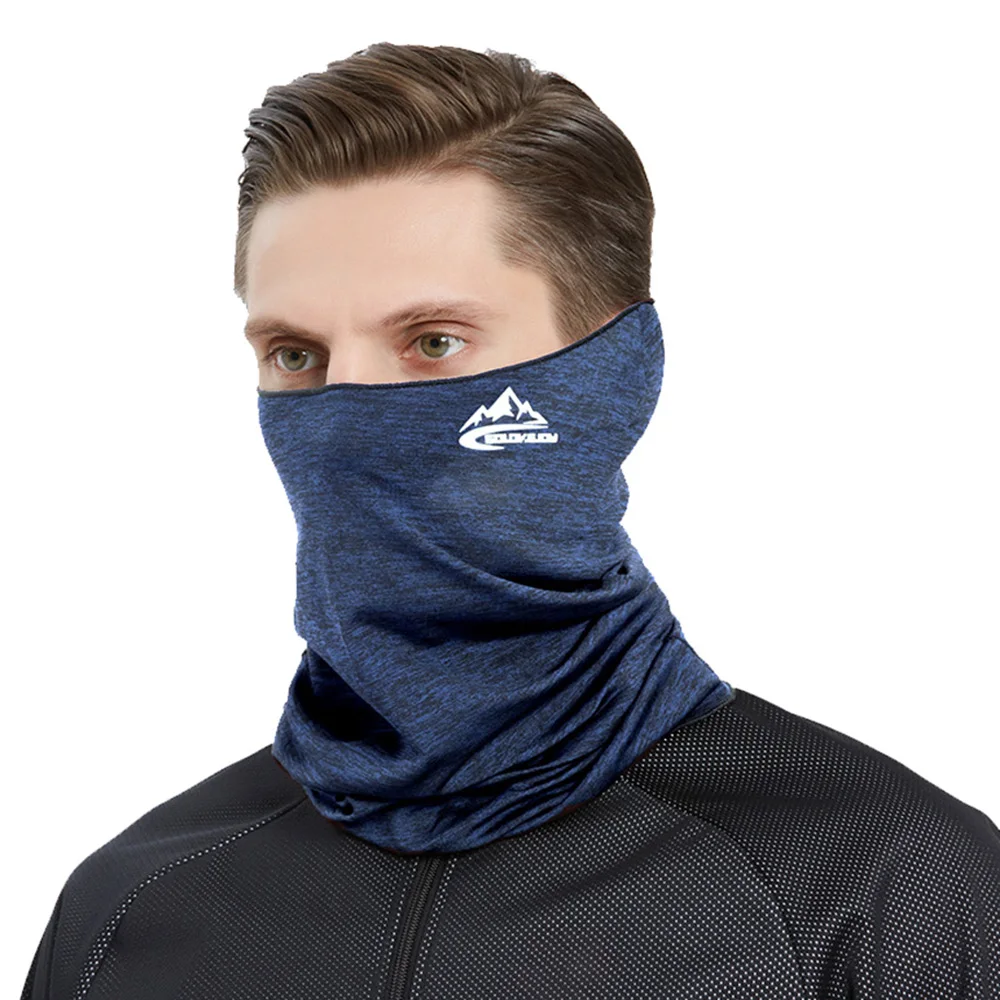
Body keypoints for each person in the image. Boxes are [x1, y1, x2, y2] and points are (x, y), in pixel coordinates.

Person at [21, 41, 1000, 1000]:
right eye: (295, 355)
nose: (346, 417)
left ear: (612, 374)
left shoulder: (874, 890)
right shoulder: (132, 905)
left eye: (433, 342)